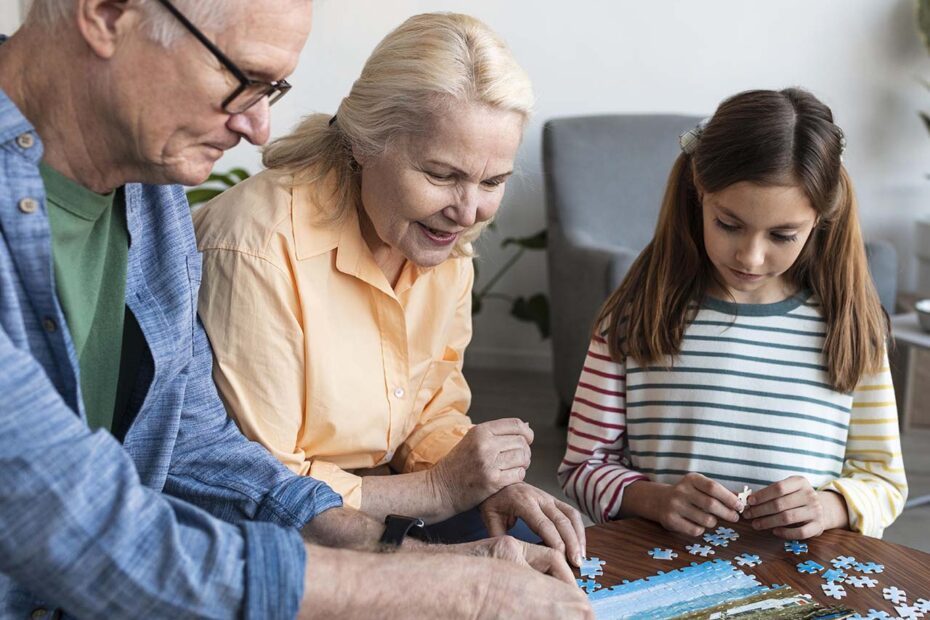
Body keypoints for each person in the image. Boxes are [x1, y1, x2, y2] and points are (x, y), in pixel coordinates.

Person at [0, 1, 592, 618]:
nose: (259, 128)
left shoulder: (153, 201)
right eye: (242, 79)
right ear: (106, 14)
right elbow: (85, 530)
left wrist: (410, 550)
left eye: (271, 90)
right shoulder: (246, 234)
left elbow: (203, 452)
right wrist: (446, 583)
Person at [193, 11, 587, 564]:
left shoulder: (444, 236)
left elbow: (430, 410)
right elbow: (263, 489)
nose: (468, 211)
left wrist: (490, 482)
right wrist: (439, 491)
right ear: (363, 143)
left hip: (387, 494)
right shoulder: (256, 244)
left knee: (545, 557)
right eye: (442, 174)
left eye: (493, 181)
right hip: (272, 533)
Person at [558, 88, 908, 541]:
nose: (751, 256)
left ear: (819, 220)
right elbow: (583, 467)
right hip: (661, 581)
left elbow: (883, 481)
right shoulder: (633, 317)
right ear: (697, 193)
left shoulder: (852, 327)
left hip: (803, 586)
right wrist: (656, 500)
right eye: (729, 225)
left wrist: (828, 507)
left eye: (782, 235)